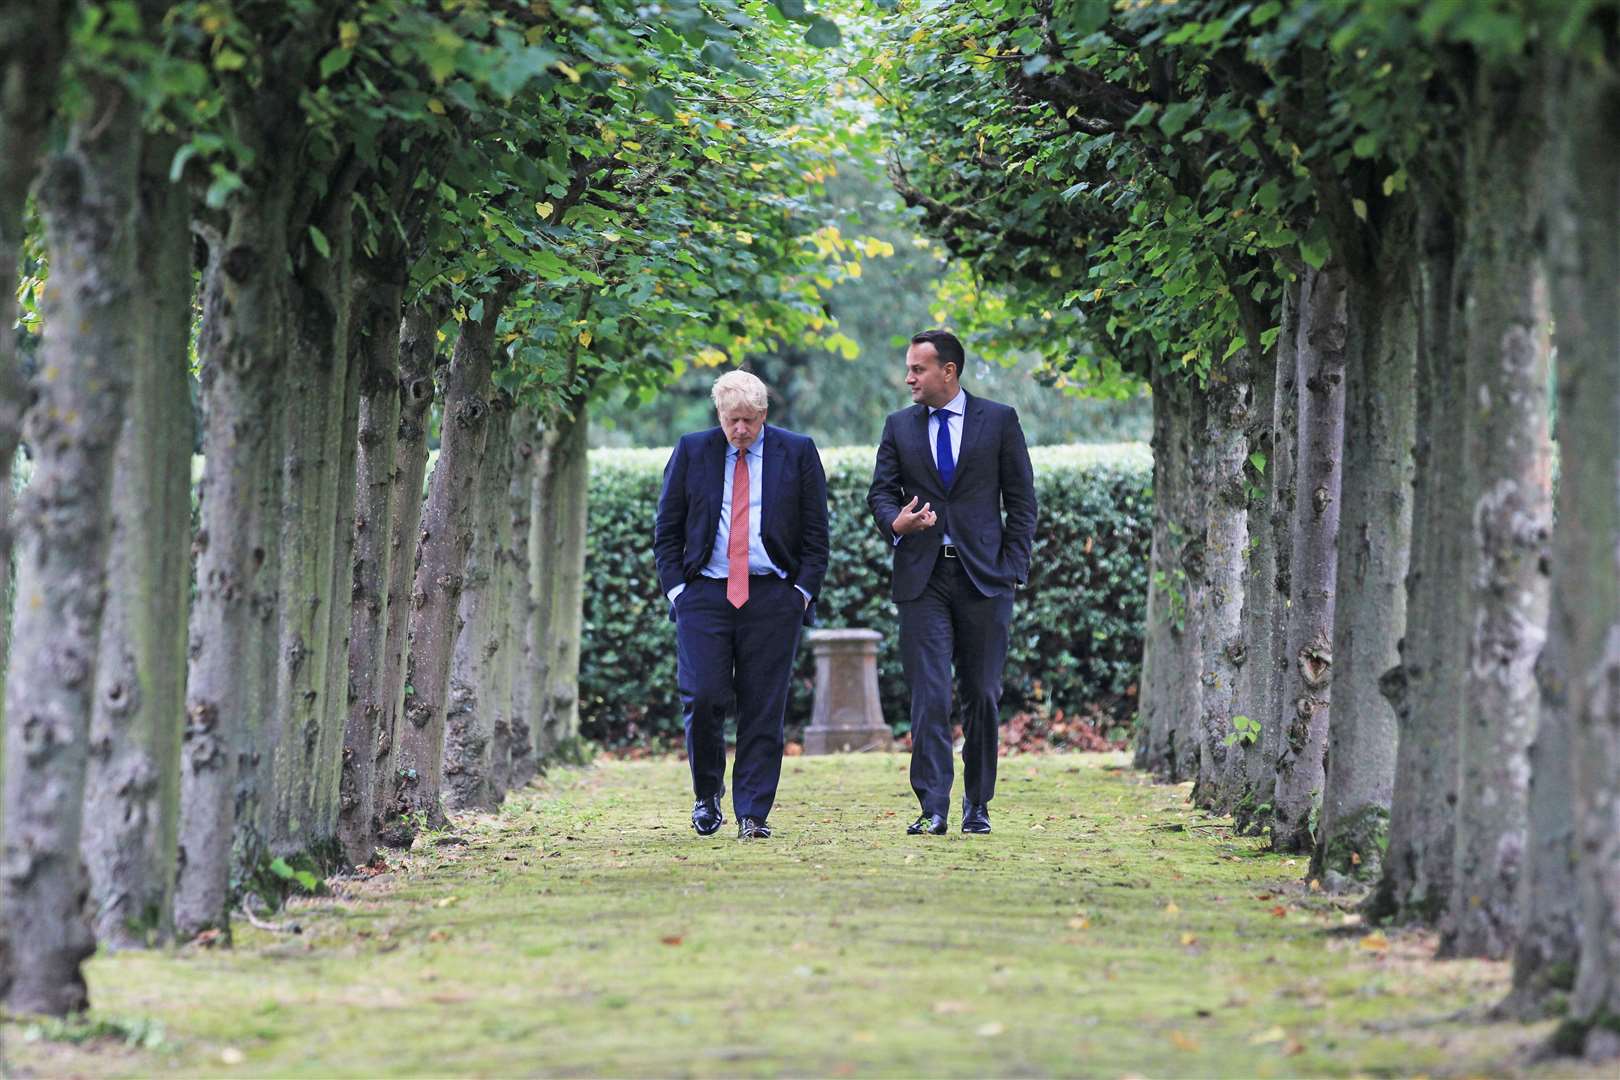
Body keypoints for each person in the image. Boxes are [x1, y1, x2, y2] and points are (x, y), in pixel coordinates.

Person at [866, 330, 1037, 835]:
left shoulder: (999, 420)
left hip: (985, 580)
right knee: (930, 695)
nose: (909, 378)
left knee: (981, 694)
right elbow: (880, 494)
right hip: (922, 579)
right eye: (909, 368)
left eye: (918, 369)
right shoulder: (899, 426)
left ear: (949, 371)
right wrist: (896, 524)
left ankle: (977, 804)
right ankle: (933, 806)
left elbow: (1022, 503)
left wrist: (1012, 569)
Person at [654, 370, 830, 839]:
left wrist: (801, 593)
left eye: (750, 421)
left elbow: (817, 535)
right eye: (733, 421)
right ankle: (707, 794)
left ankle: (753, 813)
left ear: (764, 415)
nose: (741, 431)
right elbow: (667, 529)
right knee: (705, 695)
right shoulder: (693, 450)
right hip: (705, 595)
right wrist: (678, 592)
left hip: (773, 595)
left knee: (763, 706)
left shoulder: (797, 451)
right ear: (720, 415)